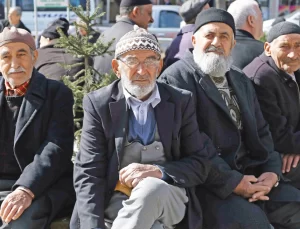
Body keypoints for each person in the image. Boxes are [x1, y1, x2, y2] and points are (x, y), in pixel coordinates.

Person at [71, 25, 228, 229]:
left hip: (167, 197)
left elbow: (199, 164)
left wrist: (158, 171)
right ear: (116, 68)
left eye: (150, 61)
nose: (142, 70)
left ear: (160, 65)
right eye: (132, 61)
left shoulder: (180, 101)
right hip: (115, 202)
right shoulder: (98, 104)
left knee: (151, 187)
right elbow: (89, 172)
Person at [160, 8, 300, 229]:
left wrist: (271, 172)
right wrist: (234, 182)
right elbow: (190, 145)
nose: (217, 42)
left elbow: (262, 132)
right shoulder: (177, 78)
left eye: (224, 36)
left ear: (233, 44)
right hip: (211, 185)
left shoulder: (238, 77)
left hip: (253, 176)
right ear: (194, 40)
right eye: (210, 35)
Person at [0, 27, 74, 228]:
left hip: (42, 186)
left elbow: (55, 149)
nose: (14, 64)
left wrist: (25, 189)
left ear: (35, 56)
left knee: (15, 222)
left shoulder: (57, 93)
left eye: (21, 54)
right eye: (6, 56)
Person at [243, 22, 300, 189]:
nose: (293, 54)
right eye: (285, 46)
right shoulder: (261, 77)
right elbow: (277, 137)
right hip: (267, 162)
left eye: (298, 46)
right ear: (267, 48)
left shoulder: (293, 68)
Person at [93, 0, 154, 76]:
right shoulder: (140, 37)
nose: (152, 20)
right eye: (149, 13)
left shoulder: (104, 34)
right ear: (136, 11)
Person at [162, 0, 210, 72]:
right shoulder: (201, 38)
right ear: (201, 16)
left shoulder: (176, 40)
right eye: (209, 12)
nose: (212, 15)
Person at [227, 0, 264, 69]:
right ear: (251, 20)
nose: (263, 21)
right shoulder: (264, 52)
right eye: (261, 16)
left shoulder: (221, 48)